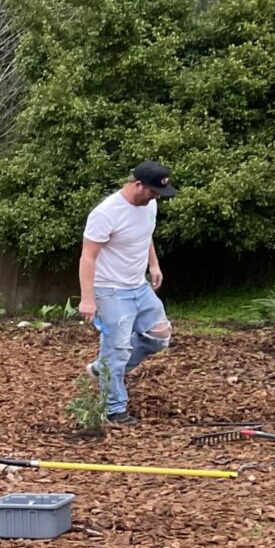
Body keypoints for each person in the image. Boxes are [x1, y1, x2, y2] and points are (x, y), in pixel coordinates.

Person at [79, 160, 176, 427]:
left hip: (138, 285)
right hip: (110, 289)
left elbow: (145, 236)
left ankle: (103, 370)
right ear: (137, 185)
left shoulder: (149, 205)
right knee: (118, 349)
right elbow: (88, 257)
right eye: (154, 191)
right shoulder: (106, 213)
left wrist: (153, 264)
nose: (157, 197)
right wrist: (87, 298)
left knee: (159, 336)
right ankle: (114, 409)